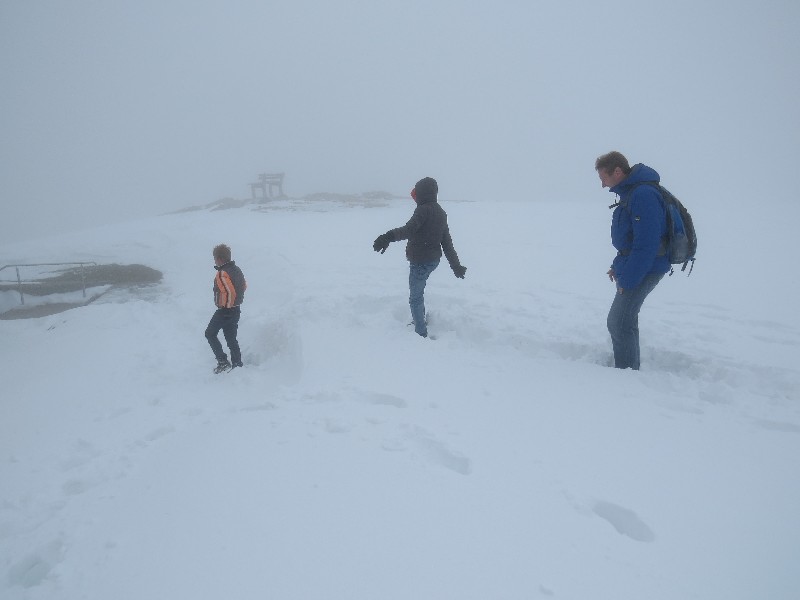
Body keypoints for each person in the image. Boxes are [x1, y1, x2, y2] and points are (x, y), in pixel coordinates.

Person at [596, 151, 670, 370]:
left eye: (604, 178)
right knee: (625, 321)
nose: (602, 185)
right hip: (638, 265)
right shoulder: (632, 193)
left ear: (617, 172)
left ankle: (626, 375)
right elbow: (629, 241)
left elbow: (646, 244)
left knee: (618, 323)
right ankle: (629, 368)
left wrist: (627, 279)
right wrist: (618, 266)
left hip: (647, 267)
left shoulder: (643, 195)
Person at [373, 177, 466, 338]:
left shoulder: (423, 210)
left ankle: (420, 332)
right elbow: (447, 243)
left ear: (422, 193)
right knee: (418, 293)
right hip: (432, 261)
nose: (414, 197)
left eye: (416, 193)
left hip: (420, 262)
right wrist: (455, 265)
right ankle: (420, 320)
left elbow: (409, 230)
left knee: (415, 298)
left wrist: (388, 236)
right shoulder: (440, 212)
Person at [205, 243, 247, 373]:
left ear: (219, 259)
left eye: (215, 259)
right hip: (236, 309)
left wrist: (226, 307)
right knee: (231, 338)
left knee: (210, 333)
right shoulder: (236, 269)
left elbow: (230, 292)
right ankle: (237, 364)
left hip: (225, 311)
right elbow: (244, 286)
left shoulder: (222, 273)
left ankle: (222, 362)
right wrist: (234, 304)